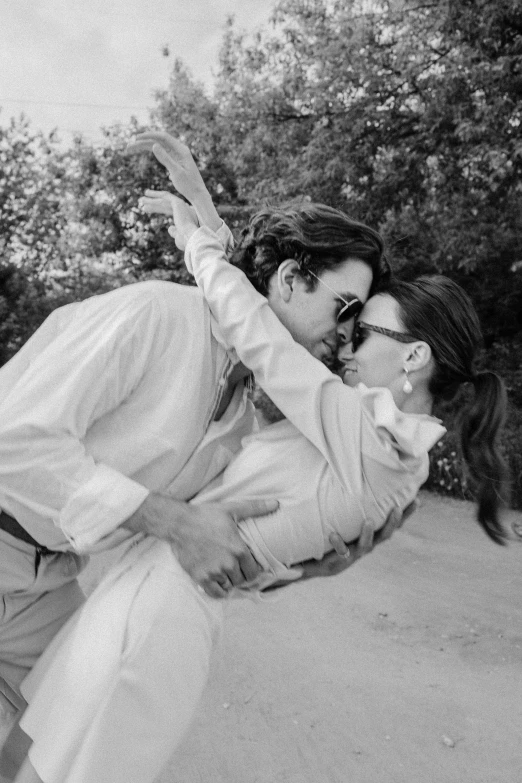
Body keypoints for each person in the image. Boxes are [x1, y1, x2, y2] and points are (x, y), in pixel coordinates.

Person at [11, 145, 509, 783]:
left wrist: (297, 567)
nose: (348, 339)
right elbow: (16, 441)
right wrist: (212, 237)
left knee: (44, 761)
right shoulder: (159, 319)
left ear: (413, 359)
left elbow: (261, 347)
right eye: (348, 313)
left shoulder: (326, 430)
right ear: (294, 279)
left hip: (99, 595)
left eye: (363, 325)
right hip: (67, 575)